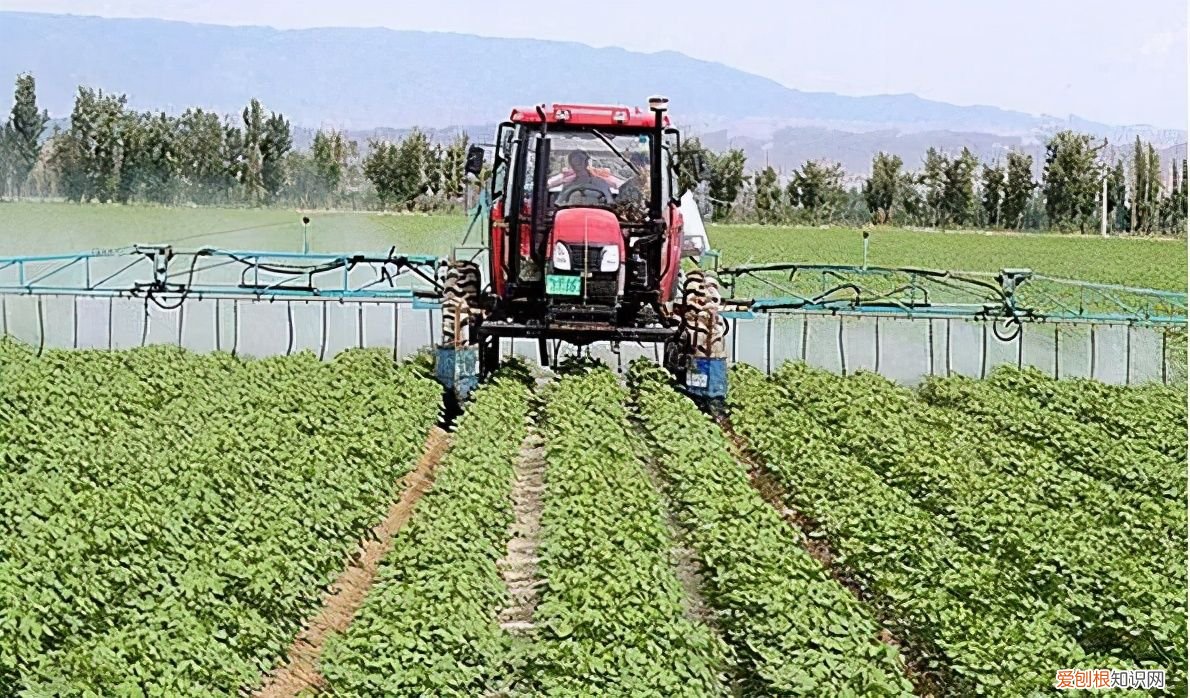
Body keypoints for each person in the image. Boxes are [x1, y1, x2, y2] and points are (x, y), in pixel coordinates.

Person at [614, 150, 651, 222]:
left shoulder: (658, 186)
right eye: (634, 163)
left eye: (647, 163)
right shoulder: (626, 187)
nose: (638, 167)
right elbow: (619, 208)